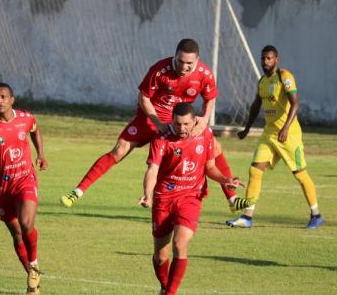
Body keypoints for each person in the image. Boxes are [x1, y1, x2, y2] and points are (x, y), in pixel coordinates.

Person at [61, 38, 253, 214]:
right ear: (175, 56)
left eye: (189, 63)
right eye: (180, 61)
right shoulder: (159, 70)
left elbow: (210, 98)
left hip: (181, 121)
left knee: (215, 148)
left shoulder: (204, 74)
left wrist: (203, 119)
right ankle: (77, 192)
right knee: (119, 150)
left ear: (197, 60)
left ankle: (233, 199)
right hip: (151, 118)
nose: (184, 66)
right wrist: (158, 123)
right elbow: (143, 98)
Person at [139, 102, 242, 295]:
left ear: (194, 121)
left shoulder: (204, 135)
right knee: (160, 256)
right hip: (163, 199)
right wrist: (147, 194)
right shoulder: (161, 139)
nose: (182, 128)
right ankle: (165, 287)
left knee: (180, 244)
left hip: (190, 198)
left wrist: (226, 179)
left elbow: (210, 167)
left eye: (186, 123)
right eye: (177, 124)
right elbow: (152, 170)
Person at [228, 45, 323, 229]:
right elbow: (255, 106)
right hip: (269, 134)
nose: (265, 62)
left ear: (276, 59)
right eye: (263, 58)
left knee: (300, 174)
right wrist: (247, 128)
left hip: (289, 136)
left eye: (269, 58)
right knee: (255, 170)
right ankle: (247, 217)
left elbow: (295, 104)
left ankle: (316, 215)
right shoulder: (262, 81)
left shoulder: (284, 77)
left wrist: (286, 128)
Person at [0, 83, 47, 294]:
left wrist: (40, 154)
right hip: (3, 188)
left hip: (25, 180)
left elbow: (35, 130)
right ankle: (33, 275)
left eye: (3, 96)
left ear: (12, 99)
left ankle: (33, 262)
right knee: (16, 234)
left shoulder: (25, 118)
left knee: (26, 223)